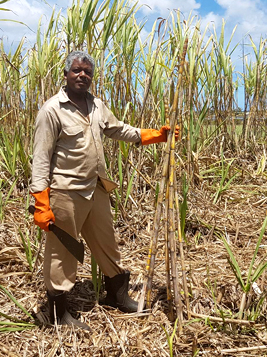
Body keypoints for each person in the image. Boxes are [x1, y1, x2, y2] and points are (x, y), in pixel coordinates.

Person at [30, 50, 179, 330]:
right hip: (65, 193)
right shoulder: (52, 110)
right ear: (66, 74)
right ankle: (57, 313)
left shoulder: (97, 105)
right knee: (64, 252)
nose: (82, 75)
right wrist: (41, 202)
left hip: (95, 189)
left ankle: (116, 295)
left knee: (107, 243)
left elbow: (118, 129)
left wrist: (155, 136)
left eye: (87, 72)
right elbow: (40, 158)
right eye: (76, 70)